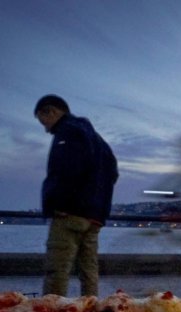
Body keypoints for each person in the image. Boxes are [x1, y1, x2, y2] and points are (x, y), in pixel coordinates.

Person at [34, 94, 118, 297]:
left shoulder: (67, 133)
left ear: (51, 111)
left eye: (42, 120)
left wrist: (61, 204)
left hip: (69, 214)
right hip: (94, 217)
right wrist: (97, 209)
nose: (44, 128)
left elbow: (66, 171)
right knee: (89, 270)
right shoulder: (97, 140)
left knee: (57, 271)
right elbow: (112, 172)